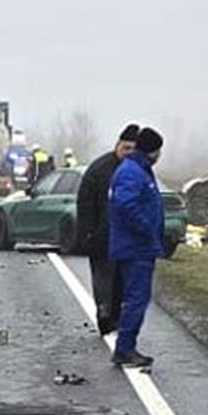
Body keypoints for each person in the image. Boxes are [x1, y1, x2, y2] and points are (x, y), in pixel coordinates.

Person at [108, 127, 165, 368]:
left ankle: (127, 346)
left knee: (136, 297)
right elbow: (126, 204)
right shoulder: (133, 172)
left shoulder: (139, 169)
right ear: (152, 150)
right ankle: (125, 349)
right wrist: (146, 230)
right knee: (136, 298)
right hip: (135, 247)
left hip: (138, 246)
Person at [77, 123, 139, 335]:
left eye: (133, 149)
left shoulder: (136, 170)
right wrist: (87, 232)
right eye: (126, 148)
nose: (129, 153)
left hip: (126, 237)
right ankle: (104, 314)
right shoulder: (99, 169)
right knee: (103, 278)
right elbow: (85, 203)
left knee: (121, 280)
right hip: (101, 236)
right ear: (117, 145)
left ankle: (115, 317)